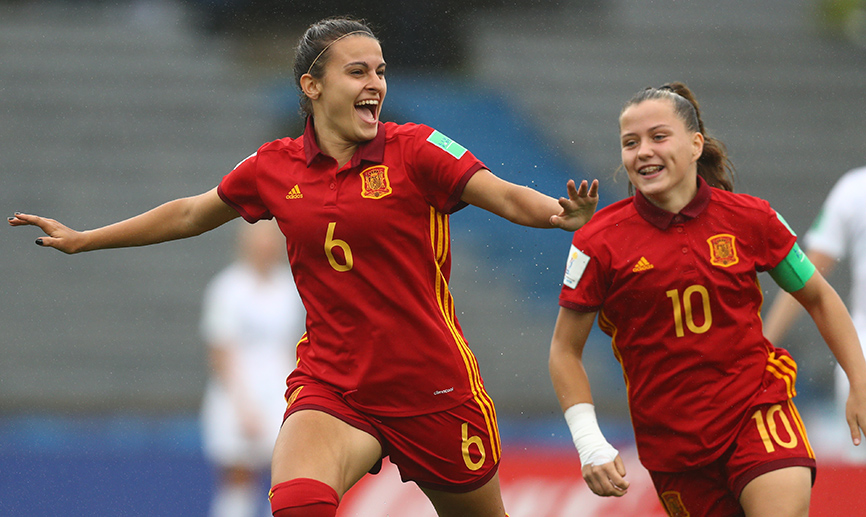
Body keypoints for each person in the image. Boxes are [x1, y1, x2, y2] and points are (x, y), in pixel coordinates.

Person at [8, 17, 599, 517]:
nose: (376, 85)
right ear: (312, 85)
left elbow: (498, 192)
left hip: (432, 389)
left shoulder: (418, 149)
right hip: (335, 384)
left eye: (381, 71)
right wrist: (88, 239)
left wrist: (557, 213)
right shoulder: (273, 167)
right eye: (358, 71)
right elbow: (192, 212)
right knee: (296, 503)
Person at [548, 82, 866, 517]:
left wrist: (859, 380)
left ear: (696, 144)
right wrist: (589, 442)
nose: (643, 152)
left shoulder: (752, 218)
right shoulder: (598, 243)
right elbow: (565, 351)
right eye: (630, 143)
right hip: (673, 448)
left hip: (757, 411)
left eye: (658, 137)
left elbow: (818, 297)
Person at [200, 220, 305, 517]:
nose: (265, 246)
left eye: (270, 240)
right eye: (259, 239)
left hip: (280, 393)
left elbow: (294, 344)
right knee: (238, 478)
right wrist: (242, 405)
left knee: (287, 478)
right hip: (236, 395)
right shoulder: (228, 288)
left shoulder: (290, 287)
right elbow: (221, 350)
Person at [763, 164, 866, 463]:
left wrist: (764, 344)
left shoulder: (855, 188)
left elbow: (808, 278)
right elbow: (810, 282)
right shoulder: (854, 189)